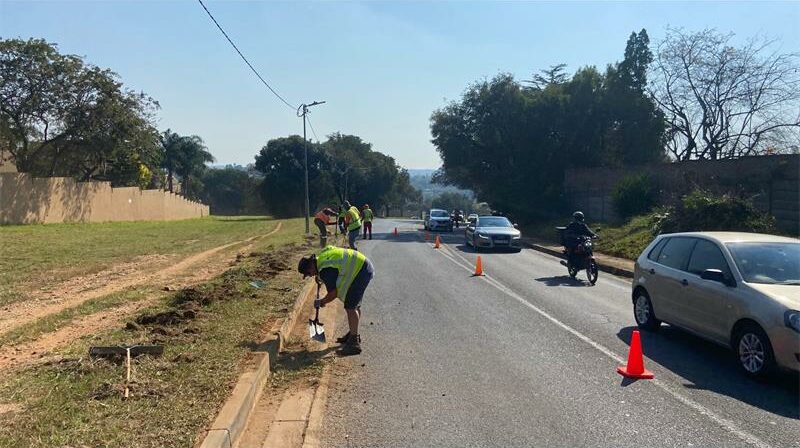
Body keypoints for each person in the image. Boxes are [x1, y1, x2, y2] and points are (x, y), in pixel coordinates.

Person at [297, 246, 375, 355]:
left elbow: (333, 294)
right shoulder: (322, 259)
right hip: (363, 266)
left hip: (361, 271)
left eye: (309, 273)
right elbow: (333, 271)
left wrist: (321, 302)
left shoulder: (325, 270)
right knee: (354, 306)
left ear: (311, 266)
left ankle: (354, 344)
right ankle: (353, 333)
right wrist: (319, 276)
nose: (310, 275)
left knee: (350, 307)